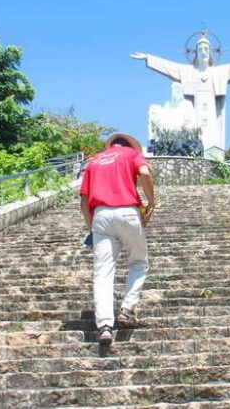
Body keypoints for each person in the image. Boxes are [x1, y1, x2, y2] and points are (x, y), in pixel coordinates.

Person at [79, 133, 155, 346]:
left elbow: (84, 200)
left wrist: (91, 228)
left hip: (101, 215)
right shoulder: (131, 155)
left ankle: (104, 326)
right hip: (128, 212)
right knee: (139, 262)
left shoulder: (94, 161)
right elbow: (145, 173)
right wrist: (152, 203)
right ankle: (126, 310)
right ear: (131, 146)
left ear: (110, 146)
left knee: (102, 272)